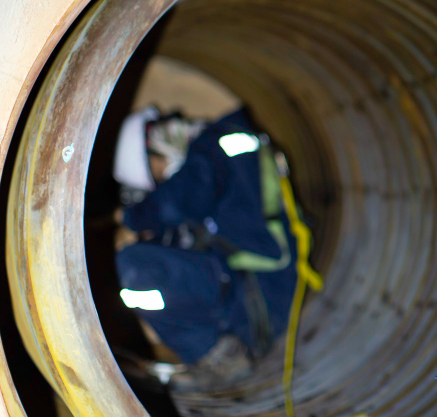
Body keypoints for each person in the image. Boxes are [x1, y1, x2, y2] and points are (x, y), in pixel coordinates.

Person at [112, 106, 308, 385]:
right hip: (254, 302)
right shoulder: (220, 151)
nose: (164, 180)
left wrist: (131, 219)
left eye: (158, 174)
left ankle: (212, 353)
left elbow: (182, 199)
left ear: (157, 148)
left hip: (262, 291)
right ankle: (219, 352)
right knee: (137, 281)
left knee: (136, 269)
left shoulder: (220, 141)